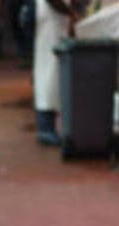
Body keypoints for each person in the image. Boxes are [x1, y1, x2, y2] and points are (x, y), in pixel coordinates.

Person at [33, 0, 80, 145]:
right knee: (48, 72)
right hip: (52, 19)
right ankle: (45, 128)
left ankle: (48, 126)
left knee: (52, 73)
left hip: (57, 20)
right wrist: (71, 13)